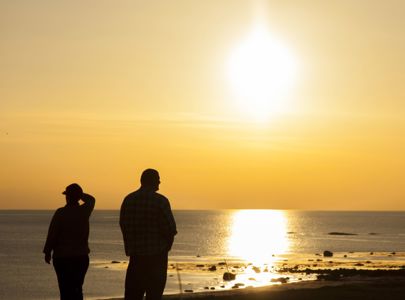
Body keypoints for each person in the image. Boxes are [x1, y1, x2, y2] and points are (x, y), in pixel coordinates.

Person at [120, 169, 177, 300]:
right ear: (152, 181)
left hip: (136, 258)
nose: (159, 182)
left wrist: (130, 246)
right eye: (157, 179)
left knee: (133, 296)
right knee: (154, 296)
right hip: (156, 258)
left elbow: (123, 225)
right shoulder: (160, 201)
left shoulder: (128, 200)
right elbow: (170, 229)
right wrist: (166, 247)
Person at [43, 183, 95, 300]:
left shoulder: (61, 213)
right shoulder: (84, 211)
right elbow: (91, 199)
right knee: (77, 288)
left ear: (67, 197)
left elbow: (52, 233)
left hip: (62, 258)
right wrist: (80, 195)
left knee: (65, 289)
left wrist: (47, 251)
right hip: (80, 257)